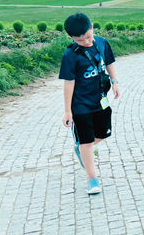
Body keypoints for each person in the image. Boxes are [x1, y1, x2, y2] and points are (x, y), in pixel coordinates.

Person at [59, 13, 120, 195]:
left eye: (87, 37)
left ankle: (82, 150)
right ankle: (92, 179)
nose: (86, 42)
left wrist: (115, 81)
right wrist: (68, 111)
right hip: (81, 107)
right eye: (79, 40)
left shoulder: (102, 42)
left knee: (102, 135)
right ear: (71, 38)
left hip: (101, 101)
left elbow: (109, 62)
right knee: (86, 143)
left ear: (92, 27)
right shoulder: (70, 55)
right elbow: (69, 83)